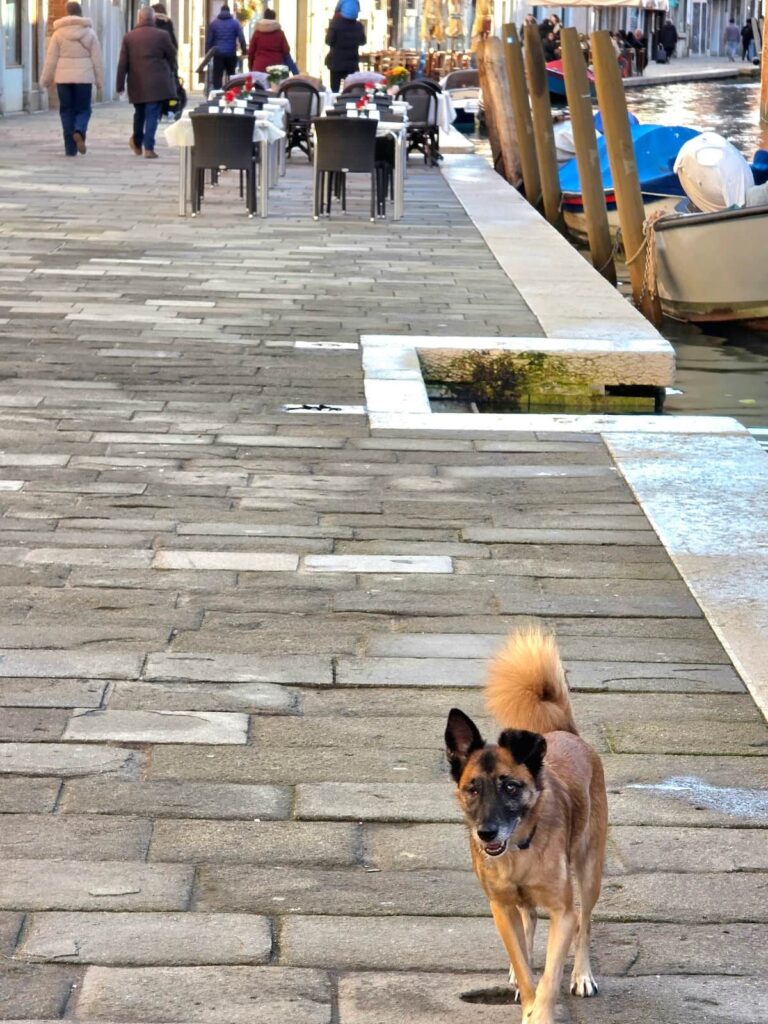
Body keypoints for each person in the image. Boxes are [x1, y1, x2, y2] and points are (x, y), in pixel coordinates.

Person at [39, 0, 104, 157]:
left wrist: (46, 80)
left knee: (66, 111)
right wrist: (100, 81)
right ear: (80, 12)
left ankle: (70, 149)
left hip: (63, 79)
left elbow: (51, 59)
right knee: (84, 109)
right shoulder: (89, 33)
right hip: (84, 79)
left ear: (67, 13)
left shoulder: (58, 34)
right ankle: (79, 130)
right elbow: (97, 60)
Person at [116, 6, 177, 160]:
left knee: (139, 113)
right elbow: (172, 55)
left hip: (137, 82)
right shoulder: (162, 35)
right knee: (152, 114)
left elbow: (122, 62)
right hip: (157, 82)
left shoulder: (129, 37)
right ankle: (148, 148)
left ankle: (137, 141)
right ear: (153, 19)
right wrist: (171, 70)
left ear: (139, 19)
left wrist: (120, 85)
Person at [325, 0, 366, 93]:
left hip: (336, 63)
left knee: (334, 91)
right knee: (351, 91)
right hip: (352, 64)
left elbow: (328, 41)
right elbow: (363, 42)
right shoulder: (358, 26)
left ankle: (335, 106)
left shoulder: (335, 24)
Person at [205, 3, 247, 90]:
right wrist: (244, 50)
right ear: (229, 12)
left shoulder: (214, 24)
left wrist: (207, 54)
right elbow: (241, 38)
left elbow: (209, 40)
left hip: (218, 54)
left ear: (221, 12)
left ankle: (217, 95)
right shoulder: (235, 23)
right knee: (232, 77)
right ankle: (231, 94)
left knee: (217, 77)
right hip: (231, 53)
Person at [248, 9, 291, 73]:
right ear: (274, 18)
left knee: (259, 83)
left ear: (264, 17)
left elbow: (251, 52)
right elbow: (286, 50)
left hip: (259, 67)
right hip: (276, 69)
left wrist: (251, 67)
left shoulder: (257, 33)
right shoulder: (279, 33)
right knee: (276, 83)